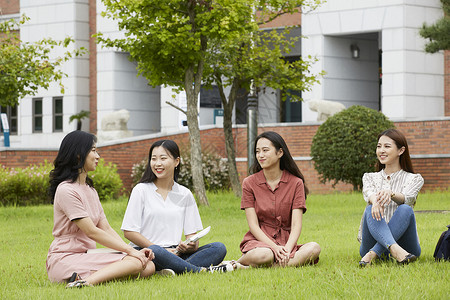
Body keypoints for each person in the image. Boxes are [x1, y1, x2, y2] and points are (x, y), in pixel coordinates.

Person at [46, 131, 155, 288]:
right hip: (66, 258)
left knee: (147, 265)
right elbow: (92, 231)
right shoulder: (66, 190)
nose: (98, 156)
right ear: (78, 155)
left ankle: (92, 276)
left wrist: (131, 251)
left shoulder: (90, 190)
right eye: (93, 150)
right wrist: (131, 253)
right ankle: (85, 282)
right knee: (136, 262)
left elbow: (105, 228)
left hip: (87, 255)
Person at [121, 139, 232, 274]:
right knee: (156, 250)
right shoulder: (141, 190)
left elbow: (193, 240)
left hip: (176, 252)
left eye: (163, 158)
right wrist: (161, 250)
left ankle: (172, 269)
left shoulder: (185, 194)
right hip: (148, 251)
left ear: (176, 161)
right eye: (154, 159)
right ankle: (199, 271)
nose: (157, 163)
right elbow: (129, 231)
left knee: (219, 248)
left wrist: (188, 247)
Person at [236, 131, 321, 268]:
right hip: (260, 242)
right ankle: (240, 262)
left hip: (286, 243)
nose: (260, 155)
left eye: (265, 150)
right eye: (257, 151)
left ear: (280, 152)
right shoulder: (249, 183)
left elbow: (296, 225)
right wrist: (274, 248)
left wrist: (286, 249)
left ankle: (253, 266)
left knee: (314, 248)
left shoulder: (296, 183)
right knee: (265, 254)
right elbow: (253, 225)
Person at [358, 128, 424, 266]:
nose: (381, 150)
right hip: (371, 242)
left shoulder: (414, 179)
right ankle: (394, 251)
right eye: (379, 146)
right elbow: (369, 194)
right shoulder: (369, 177)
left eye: (387, 146)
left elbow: (408, 198)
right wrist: (375, 201)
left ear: (401, 150)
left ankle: (374, 253)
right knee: (371, 208)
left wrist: (391, 193)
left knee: (405, 209)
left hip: (406, 248)